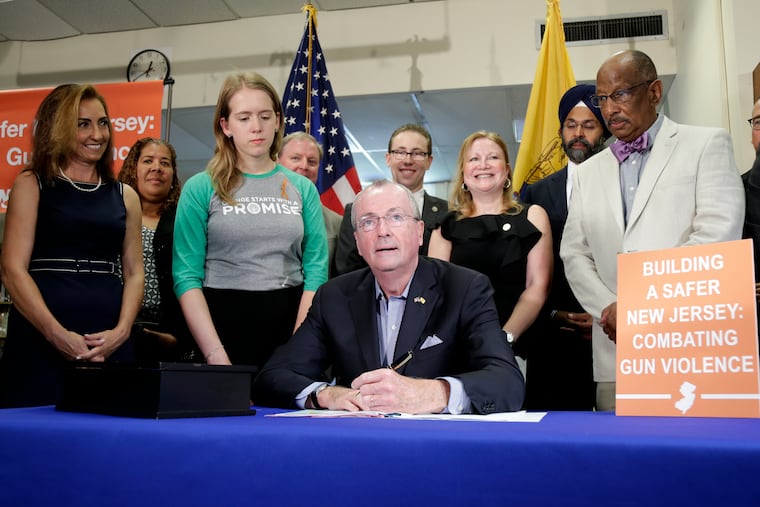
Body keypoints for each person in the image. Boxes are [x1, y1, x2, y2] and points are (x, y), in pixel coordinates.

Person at [560, 50, 745, 411]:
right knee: (621, 462)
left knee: (696, 460)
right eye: (602, 98)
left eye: (620, 94)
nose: (609, 108)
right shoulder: (587, 172)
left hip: (692, 347)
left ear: (655, 92)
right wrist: (610, 310)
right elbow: (574, 253)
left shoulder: (705, 145)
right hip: (615, 348)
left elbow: (716, 235)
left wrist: (646, 309)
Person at [254, 180, 524, 414]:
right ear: (358, 242)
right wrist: (326, 395)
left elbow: (507, 382)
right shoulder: (334, 296)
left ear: (419, 233)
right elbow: (272, 377)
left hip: (440, 448)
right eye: (369, 222)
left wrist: (430, 393)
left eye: (395, 217)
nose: (382, 231)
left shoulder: (465, 288)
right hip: (359, 446)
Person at [173, 72, 328, 374]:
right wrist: (215, 356)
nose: (256, 127)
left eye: (264, 116)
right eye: (243, 118)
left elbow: (316, 271)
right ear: (226, 126)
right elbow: (186, 275)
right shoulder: (200, 188)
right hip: (219, 330)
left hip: (290, 327)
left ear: (278, 121)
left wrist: (297, 349)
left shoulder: (304, 188)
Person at [0, 84, 143, 407]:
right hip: (41, 336)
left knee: (109, 439)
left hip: (109, 339)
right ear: (57, 128)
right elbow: (12, 269)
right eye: (83, 124)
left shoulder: (126, 196)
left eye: (103, 122)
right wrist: (57, 335)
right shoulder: (31, 184)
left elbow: (134, 273)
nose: (97, 134)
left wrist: (121, 332)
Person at [427, 131, 553, 373]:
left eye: (492, 157)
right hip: (460, 347)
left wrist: (504, 339)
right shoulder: (445, 226)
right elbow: (436, 294)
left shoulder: (532, 216)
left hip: (520, 345)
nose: (483, 165)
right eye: (474, 159)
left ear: (506, 170)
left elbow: (537, 287)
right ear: (463, 172)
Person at [520, 84, 609, 410]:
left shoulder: (622, 183)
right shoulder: (536, 193)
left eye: (589, 125)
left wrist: (604, 312)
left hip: (613, 331)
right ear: (560, 130)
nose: (579, 134)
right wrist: (554, 314)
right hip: (554, 337)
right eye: (571, 125)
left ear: (604, 130)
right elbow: (523, 269)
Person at [118, 137, 196, 362]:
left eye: (165, 163)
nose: (156, 168)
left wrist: (178, 338)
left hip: (171, 336)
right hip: (118, 331)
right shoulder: (114, 215)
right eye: (148, 161)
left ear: (173, 174)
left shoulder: (185, 219)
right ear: (133, 168)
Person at [334, 124, 448, 275]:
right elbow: (346, 271)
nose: (408, 160)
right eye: (400, 152)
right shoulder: (357, 209)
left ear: (429, 161)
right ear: (388, 158)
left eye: (417, 153)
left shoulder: (447, 213)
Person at [278, 132, 342, 276]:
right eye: (295, 158)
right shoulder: (258, 211)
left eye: (312, 161)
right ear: (277, 161)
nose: (304, 166)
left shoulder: (336, 223)